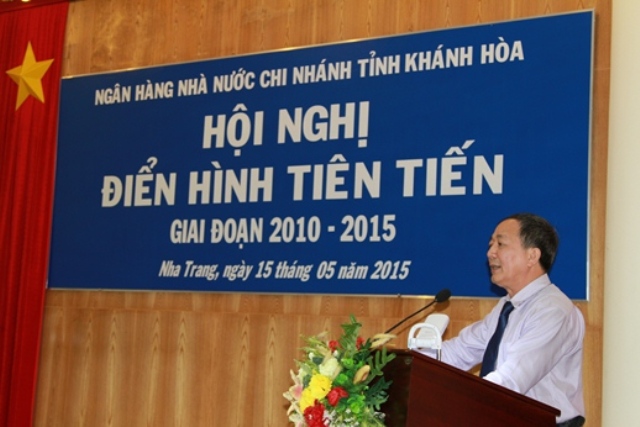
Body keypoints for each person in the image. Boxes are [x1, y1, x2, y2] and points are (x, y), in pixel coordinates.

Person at [432, 213, 585, 427]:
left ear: (532, 256)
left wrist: (462, 403)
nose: (490, 253)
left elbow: (512, 380)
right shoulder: (507, 307)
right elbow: (459, 351)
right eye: (491, 244)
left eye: (501, 244)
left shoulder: (553, 310)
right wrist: (402, 363)